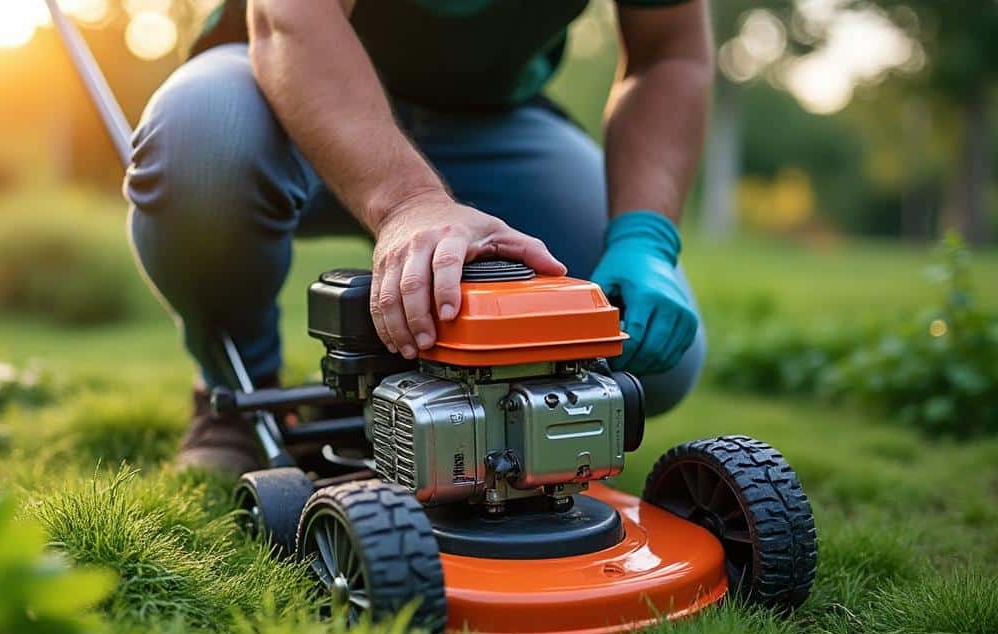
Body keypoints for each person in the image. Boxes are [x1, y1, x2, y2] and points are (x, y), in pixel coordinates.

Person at [126, 0, 711, 474]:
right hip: (281, 83)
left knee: (648, 353)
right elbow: (293, 18)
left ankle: (447, 414)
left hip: (491, 119)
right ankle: (238, 398)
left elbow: (670, 51)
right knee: (198, 148)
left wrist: (645, 235)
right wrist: (409, 203)